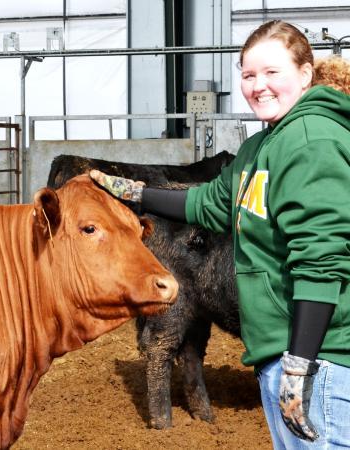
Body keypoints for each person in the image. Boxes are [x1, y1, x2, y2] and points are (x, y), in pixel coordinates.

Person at [90, 20, 350, 450]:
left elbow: (320, 260)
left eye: (272, 73)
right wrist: (135, 193)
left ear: (305, 74)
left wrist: (300, 366)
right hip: (284, 354)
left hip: (320, 361)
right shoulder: (263, 145)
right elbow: (210, 202)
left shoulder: (310, 140)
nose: (258, 86)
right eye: (248, 75)